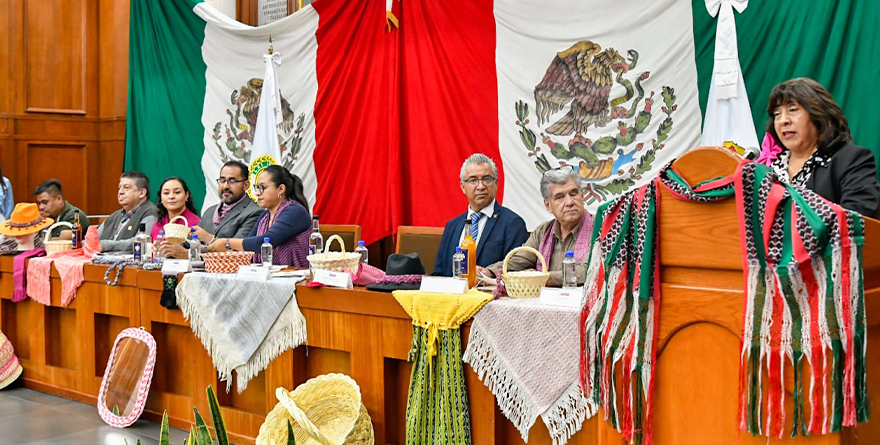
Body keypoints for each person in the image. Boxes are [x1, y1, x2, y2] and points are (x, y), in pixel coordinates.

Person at [759, 77, 879, 217]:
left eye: (793, 110)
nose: (783, 120)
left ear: (819, 115)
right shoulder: (768, 167)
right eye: (777, 114)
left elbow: (858, 218)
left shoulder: (850, 159)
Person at [482, 166, 594, 287]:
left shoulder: (601, 228)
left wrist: (542, 278)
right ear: (548, 205)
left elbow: (588, 270)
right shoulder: (543, 231)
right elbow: (520, 260)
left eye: (573, 194)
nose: (569, 202)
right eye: (560, 197)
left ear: (582, 196)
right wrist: (489, 272)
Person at [433, 153, 529, 276]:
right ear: (463, 187)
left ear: (496, 183)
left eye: (487, 179)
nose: (481, 186)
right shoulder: (452, 226)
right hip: (452, 293)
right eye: (473, 180)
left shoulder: (512, 223)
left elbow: (516, 269)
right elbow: (439, 273)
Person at [206, 165, 311, 267]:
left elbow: (265, 242)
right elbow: (248, 245)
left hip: (298, 278)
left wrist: (227, 243)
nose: (257, 193)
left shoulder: (295, 211)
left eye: (262, 188)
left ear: (281, 189)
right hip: (268, 276)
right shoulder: (265, 216)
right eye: (257, 188)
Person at [160, 161, 262, 259]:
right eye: (222, 180)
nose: (226, 186)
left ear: (246, 185)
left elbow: (237, 252)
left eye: (232, 181)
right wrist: (167, 247)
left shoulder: (254, 212)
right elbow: (189, 243)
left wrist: (206, 240)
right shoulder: (210, 211)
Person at [97, 171, 159, 252]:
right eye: (119, 187)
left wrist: (106, 245)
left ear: (142, 193)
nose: (120, 192)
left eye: (126, 188)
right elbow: (93, 239)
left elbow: (141, 242)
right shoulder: (115, 215)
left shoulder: (151, 213)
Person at [152, 177, 201, 257]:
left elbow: (202, 256)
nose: (171, 197)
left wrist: (183, 253)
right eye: (166, 193)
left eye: (177, 192)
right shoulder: (157, 224)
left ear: (186, 196)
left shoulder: (196, 224)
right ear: (161, 197)